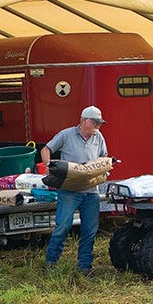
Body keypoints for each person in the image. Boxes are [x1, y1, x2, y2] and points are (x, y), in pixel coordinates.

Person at [40, 105, 108, 276]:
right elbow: (46, 149)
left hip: (91, 191)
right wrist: (49, 166)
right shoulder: (66, 135)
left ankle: (84, 267)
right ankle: (50, 264)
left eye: (100, 123)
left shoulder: (98, 137)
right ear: (84, 121)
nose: (98, 126)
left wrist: (105, 169)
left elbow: (104, 157)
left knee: (89, 231)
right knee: (62, 227)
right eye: (96, 123)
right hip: (69, 190)